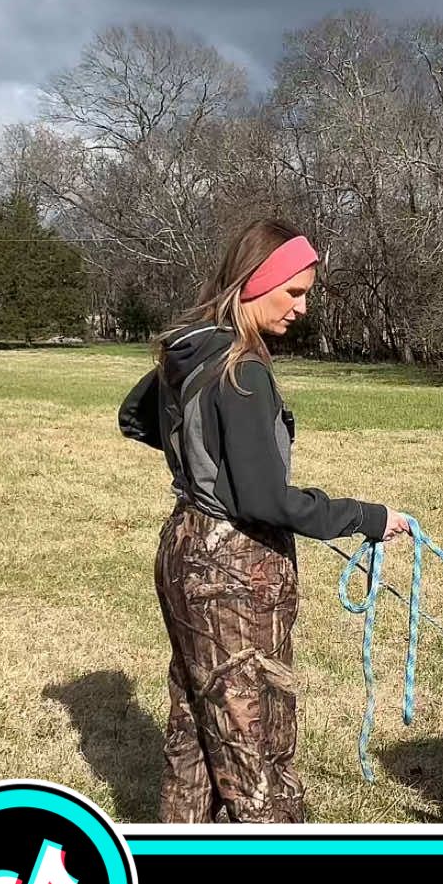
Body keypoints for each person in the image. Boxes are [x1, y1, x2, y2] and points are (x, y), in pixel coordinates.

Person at [118, 218, 410, 824]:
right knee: (257, 745)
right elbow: (266, 501)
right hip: (234, 570)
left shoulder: (190, 347)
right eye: (294, 292)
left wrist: (202, 468)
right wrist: (367, 516)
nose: (302, 308)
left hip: (184, 547)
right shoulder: (241, 367)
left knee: (198, 730)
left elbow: (136, 418)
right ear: (255, 283)